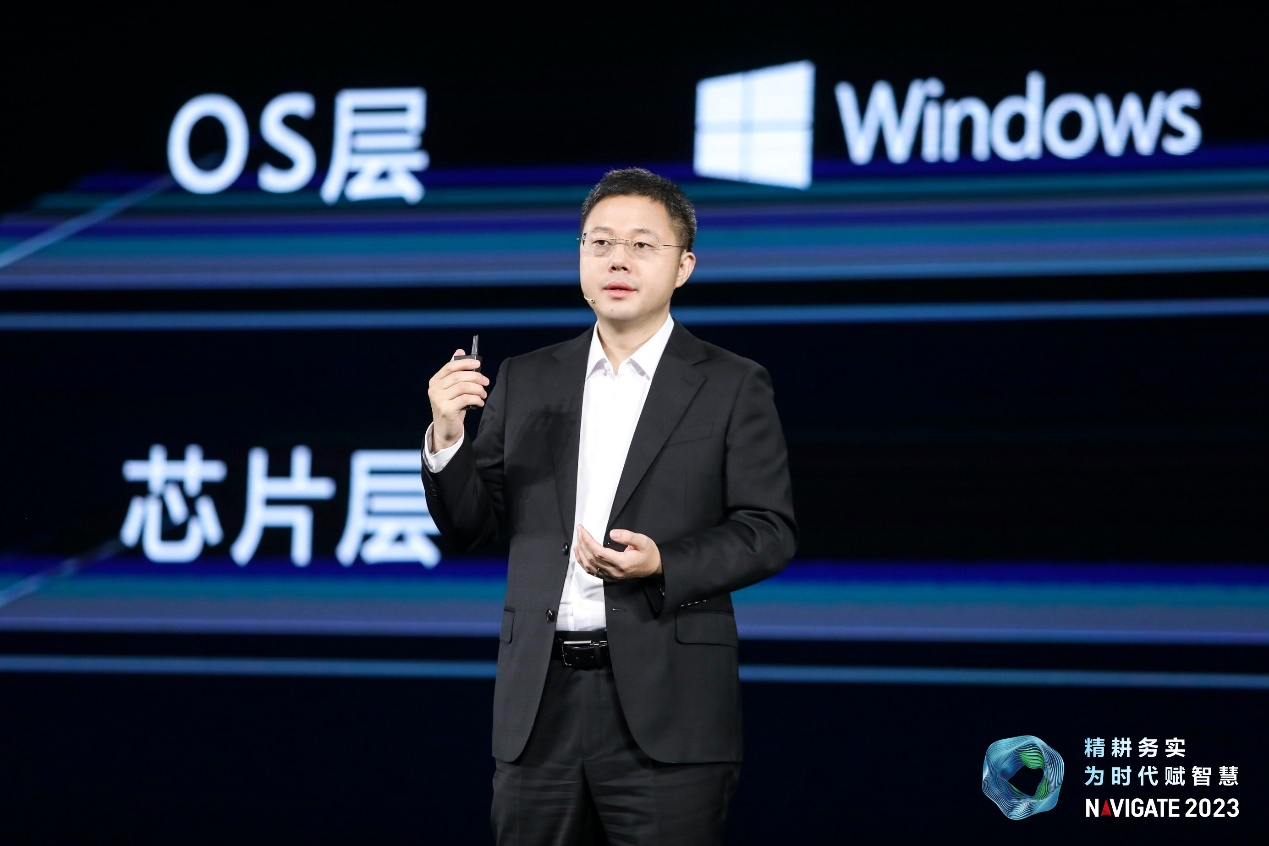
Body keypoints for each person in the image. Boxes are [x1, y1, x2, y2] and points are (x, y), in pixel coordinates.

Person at [421, 167, 797, 845]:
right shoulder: (526, 378)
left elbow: (767, 530)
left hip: (667, 707)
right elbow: (473, 526)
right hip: (539, 706)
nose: (617, 260)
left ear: (683, 267)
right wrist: (448, 438)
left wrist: (663, 564)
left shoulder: (732, 383)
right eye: (599, 243)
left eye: (641, 245)